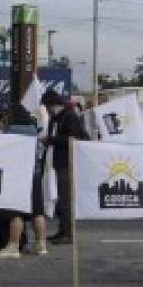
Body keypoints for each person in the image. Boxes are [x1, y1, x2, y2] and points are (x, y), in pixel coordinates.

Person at [0, 106, 49, 258]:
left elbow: (2, 153)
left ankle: (13, 246)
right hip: (35, 173)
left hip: (17, 174)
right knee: (38, 211)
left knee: (16, 211)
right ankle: (41, 245)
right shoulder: (33, 129)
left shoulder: (10, 131)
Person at [43, 89, 87, 244]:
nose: (47, 110)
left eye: (48, 107)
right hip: (57, 163)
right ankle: (62, 230)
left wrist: (52, 140)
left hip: (68, 163)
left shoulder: (69, 116)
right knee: (61, 200)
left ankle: (68, 233)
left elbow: (73, 138)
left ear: (55, 104)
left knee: (66, 199)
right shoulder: (55, 118)